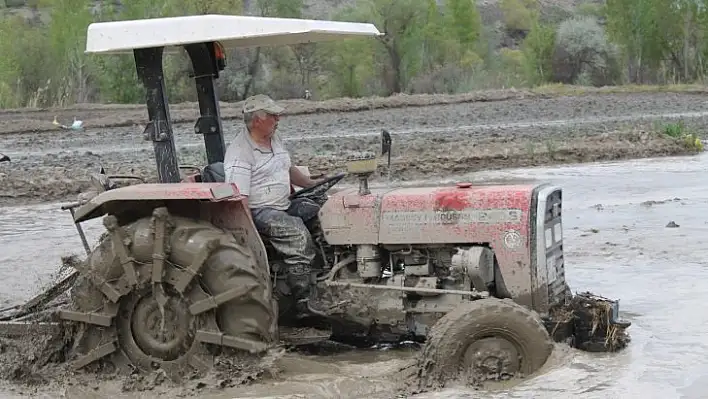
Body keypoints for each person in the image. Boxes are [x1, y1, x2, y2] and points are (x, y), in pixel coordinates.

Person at [224, 94, 324, 315]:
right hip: (260, 210)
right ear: (257, 120)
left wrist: (311, 184)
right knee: (297, 234)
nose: (278, 119)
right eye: (273, 115)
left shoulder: (273, 140)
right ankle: (303, 300)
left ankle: (329, 276)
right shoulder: (240, 153)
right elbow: (238, 197)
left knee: (325, 215)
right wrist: (251, 235)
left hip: (283, 204)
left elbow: (286, 168)